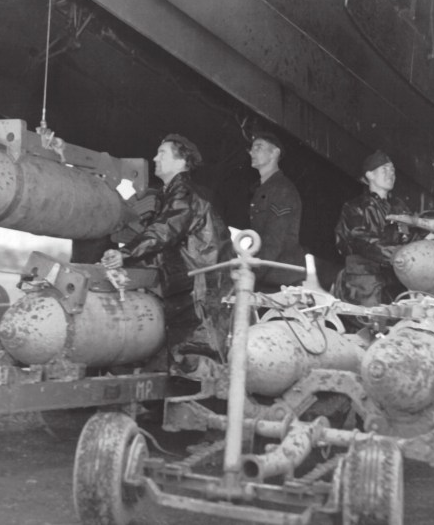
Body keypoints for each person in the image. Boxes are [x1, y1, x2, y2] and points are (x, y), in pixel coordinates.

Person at [101, 134, 231, 369]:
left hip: (198, 284)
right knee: (190, 357)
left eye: (162, 153)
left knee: (198, 357)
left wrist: (126, 254)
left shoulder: (183, 193)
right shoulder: (170, 193)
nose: (155, 158)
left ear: (181, 162)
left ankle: (194, 400)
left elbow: (165, 230)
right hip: (195, 281)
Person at [334, 150, 412, 306]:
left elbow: (408, 237)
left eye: (393, 171)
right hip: (363, 283)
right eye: (385, 169)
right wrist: (397, 254)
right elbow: (361, 240)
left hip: (395, 282)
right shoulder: (355, 207)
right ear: (370, 175)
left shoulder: (400, 209)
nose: (391, 174)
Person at [247, 131, 305, 291]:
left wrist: (252, 275)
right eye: (251, 149)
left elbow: (275, 239)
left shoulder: (281, 189)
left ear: (275, 153)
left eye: (259, 147)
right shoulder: (264, 188)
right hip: (270, 275)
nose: (252, 152)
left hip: (279, 279)